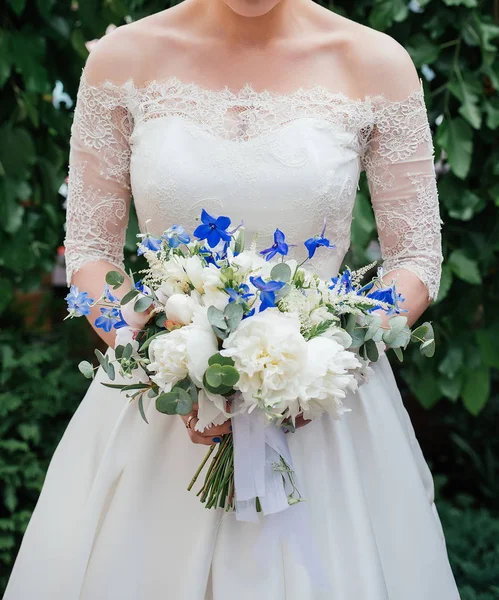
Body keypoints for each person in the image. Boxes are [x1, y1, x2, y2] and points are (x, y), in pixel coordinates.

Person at [5, 0, 461, 598]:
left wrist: (322, 357)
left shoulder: (375, 62)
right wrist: (155, 356)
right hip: (162, 406)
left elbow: (416, 260)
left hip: (326, 413)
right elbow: (91, 250)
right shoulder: (122, 61)